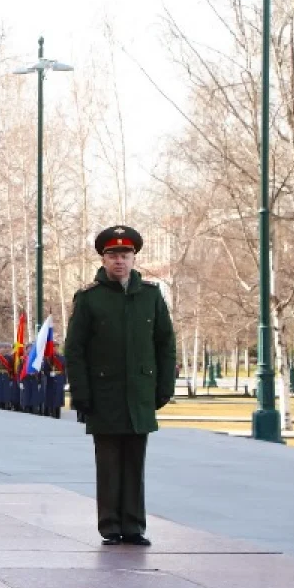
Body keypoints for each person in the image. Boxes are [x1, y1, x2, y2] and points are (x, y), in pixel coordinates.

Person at [65, 225, 177, 547]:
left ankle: (134, 526)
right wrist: (82, 394)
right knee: (109, 463)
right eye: (113, 255)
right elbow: (75, 350)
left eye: (125, 255)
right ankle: (110, 526)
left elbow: (165, 345)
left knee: (134, 463)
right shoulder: (90, 299)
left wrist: (163, 387)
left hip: (140, 393)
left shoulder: (151, 297)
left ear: (133, 258)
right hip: (104, 395)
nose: (119, 261)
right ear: (103, 258)